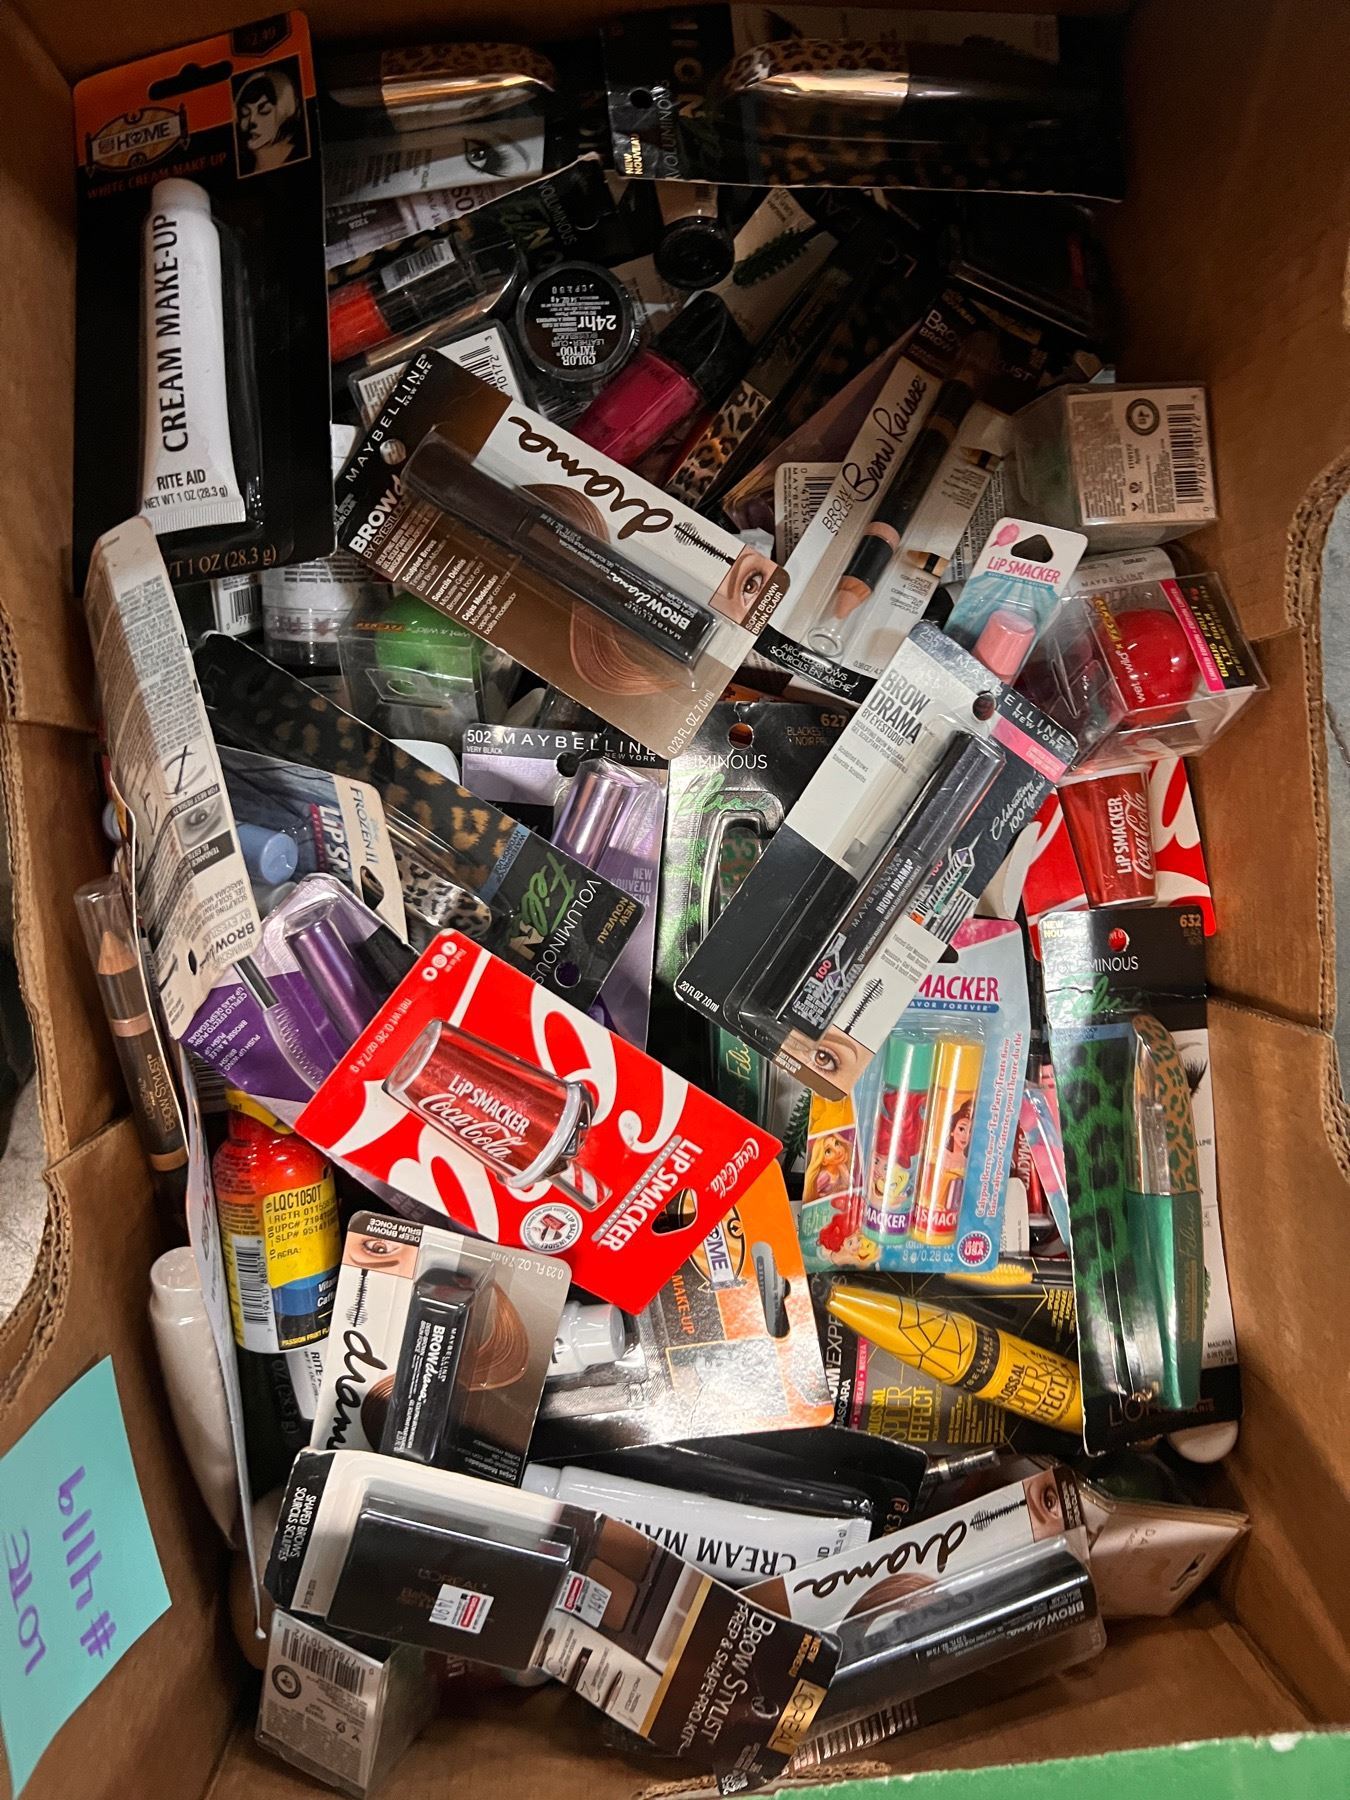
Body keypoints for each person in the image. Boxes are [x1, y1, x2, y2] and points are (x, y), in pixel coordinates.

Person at [235, 65, 304, 174]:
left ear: (284, 113)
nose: (252, 121)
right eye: (245, 113)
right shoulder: (242, 167)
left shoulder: (301, 157)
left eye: (264, 111)